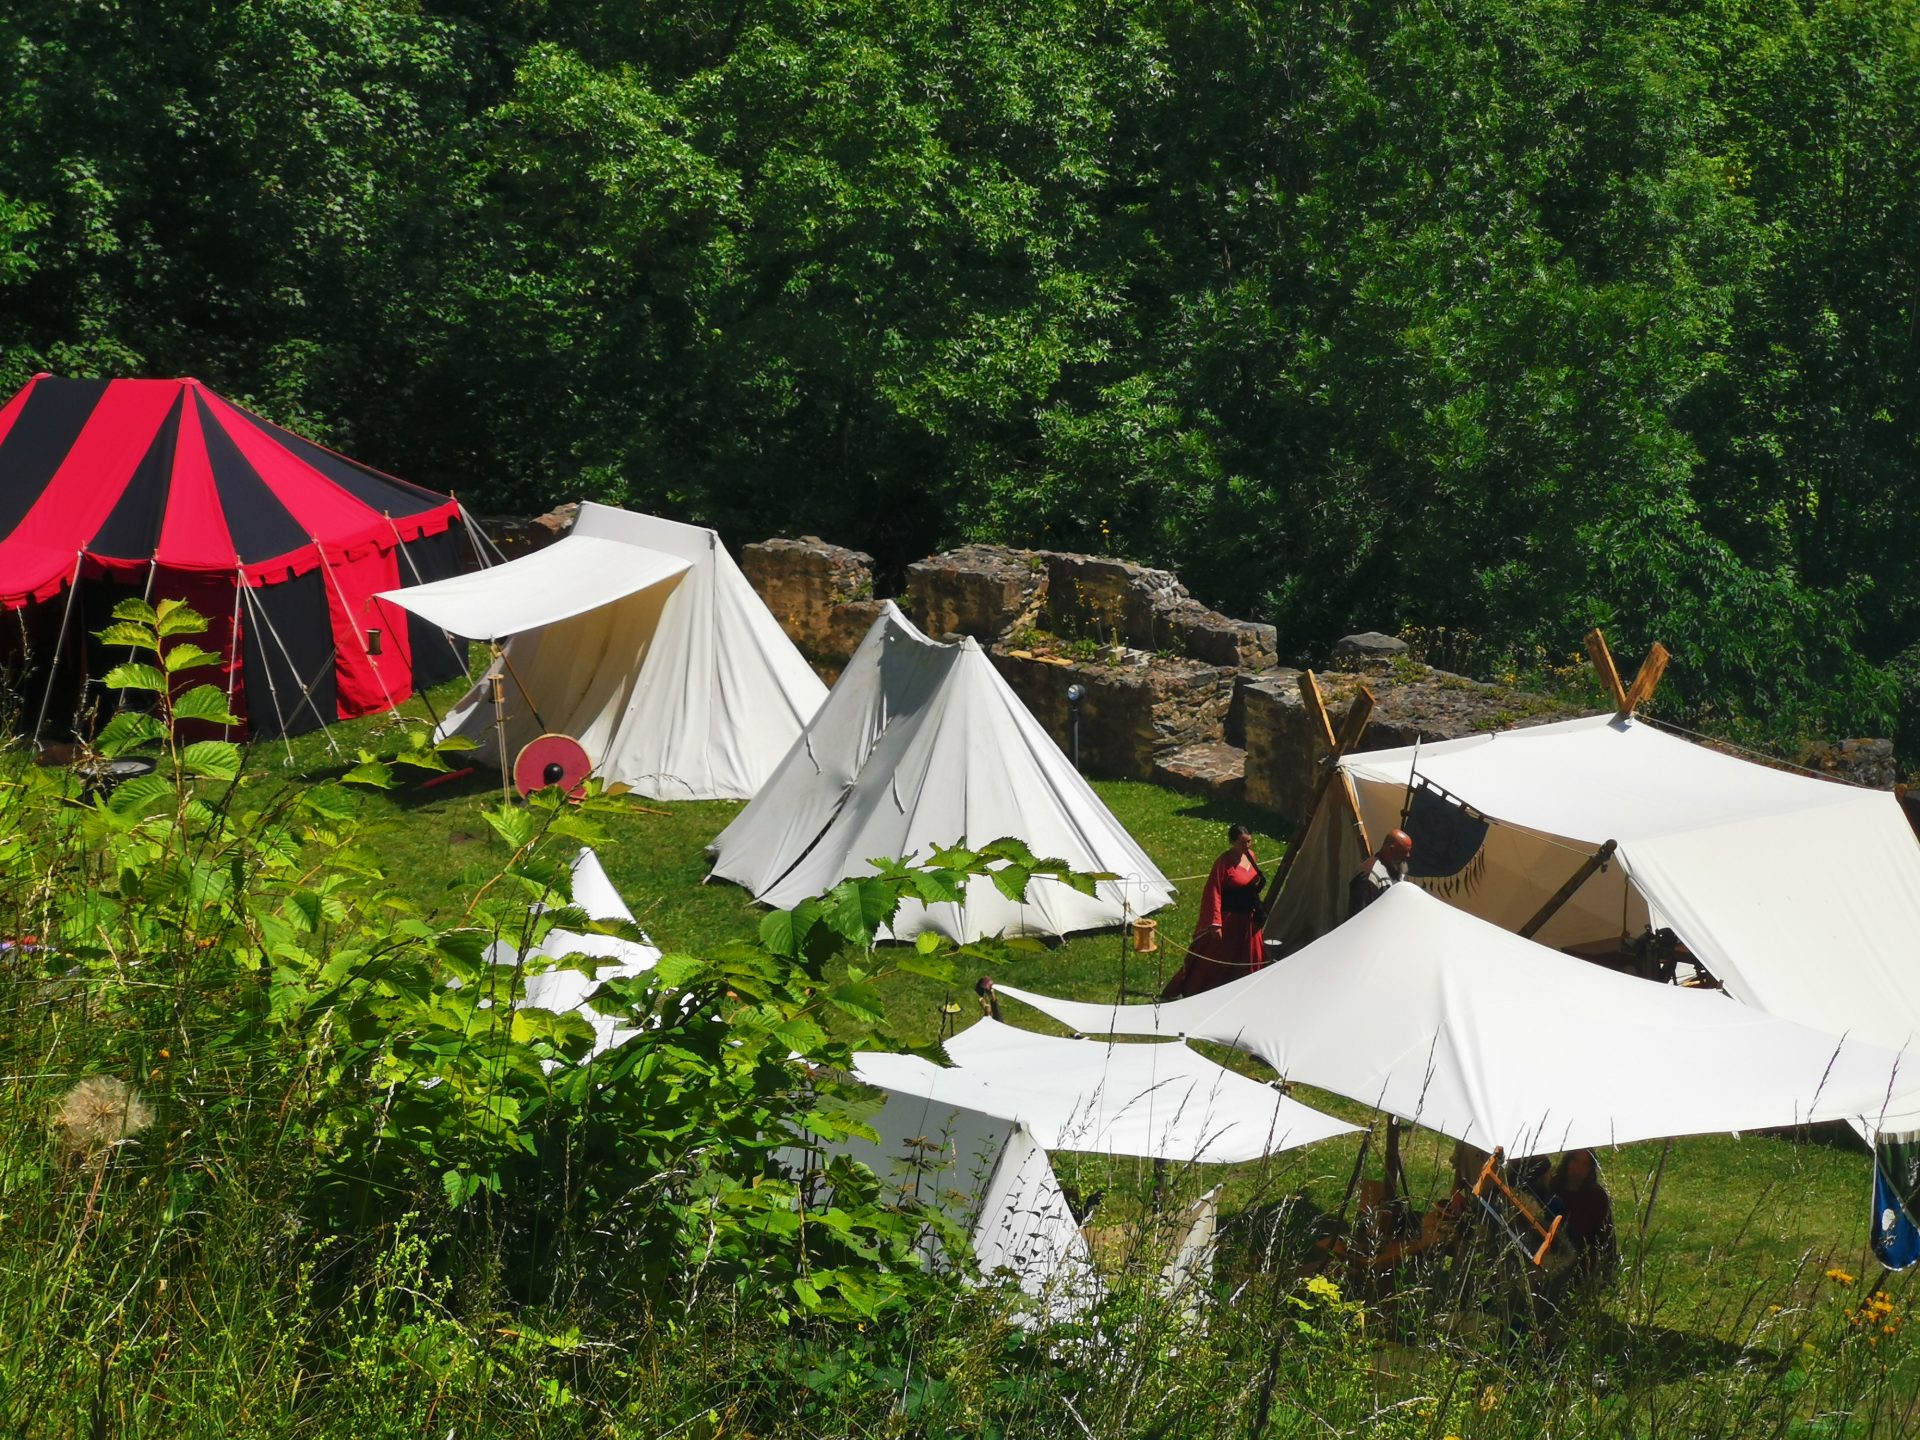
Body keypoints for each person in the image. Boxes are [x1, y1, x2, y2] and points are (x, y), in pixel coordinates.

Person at [1161, 824, 1266, 999]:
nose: (1246, 846)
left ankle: (1247, 991)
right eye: (1242, 842)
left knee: (1250, 955)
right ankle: (1201, 990)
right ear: (1232, 842)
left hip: (1248, 917)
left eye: (1249, 841)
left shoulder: (1251, 857)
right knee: (1217, 957)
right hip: (1230, 918)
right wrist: (1215, 923)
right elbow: (1214, 892)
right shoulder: (1224, 863)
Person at [1545, 1148, 1618, 1287]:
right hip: (1551, 1253)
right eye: (1576, 1161)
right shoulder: (1553, 1187)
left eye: (1585, 1164)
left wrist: (1608, 1269)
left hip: (1583, 1260)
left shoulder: (1596, 1196)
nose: (1579, 1168)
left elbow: (1607, 1233)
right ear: (1568, 1162)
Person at [1348, 829, 1414, 918]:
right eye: (1404, 851)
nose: (1408, 856)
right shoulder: (1370, 876)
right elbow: (1362, 916)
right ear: (1391, 849)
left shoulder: (1397, 867)